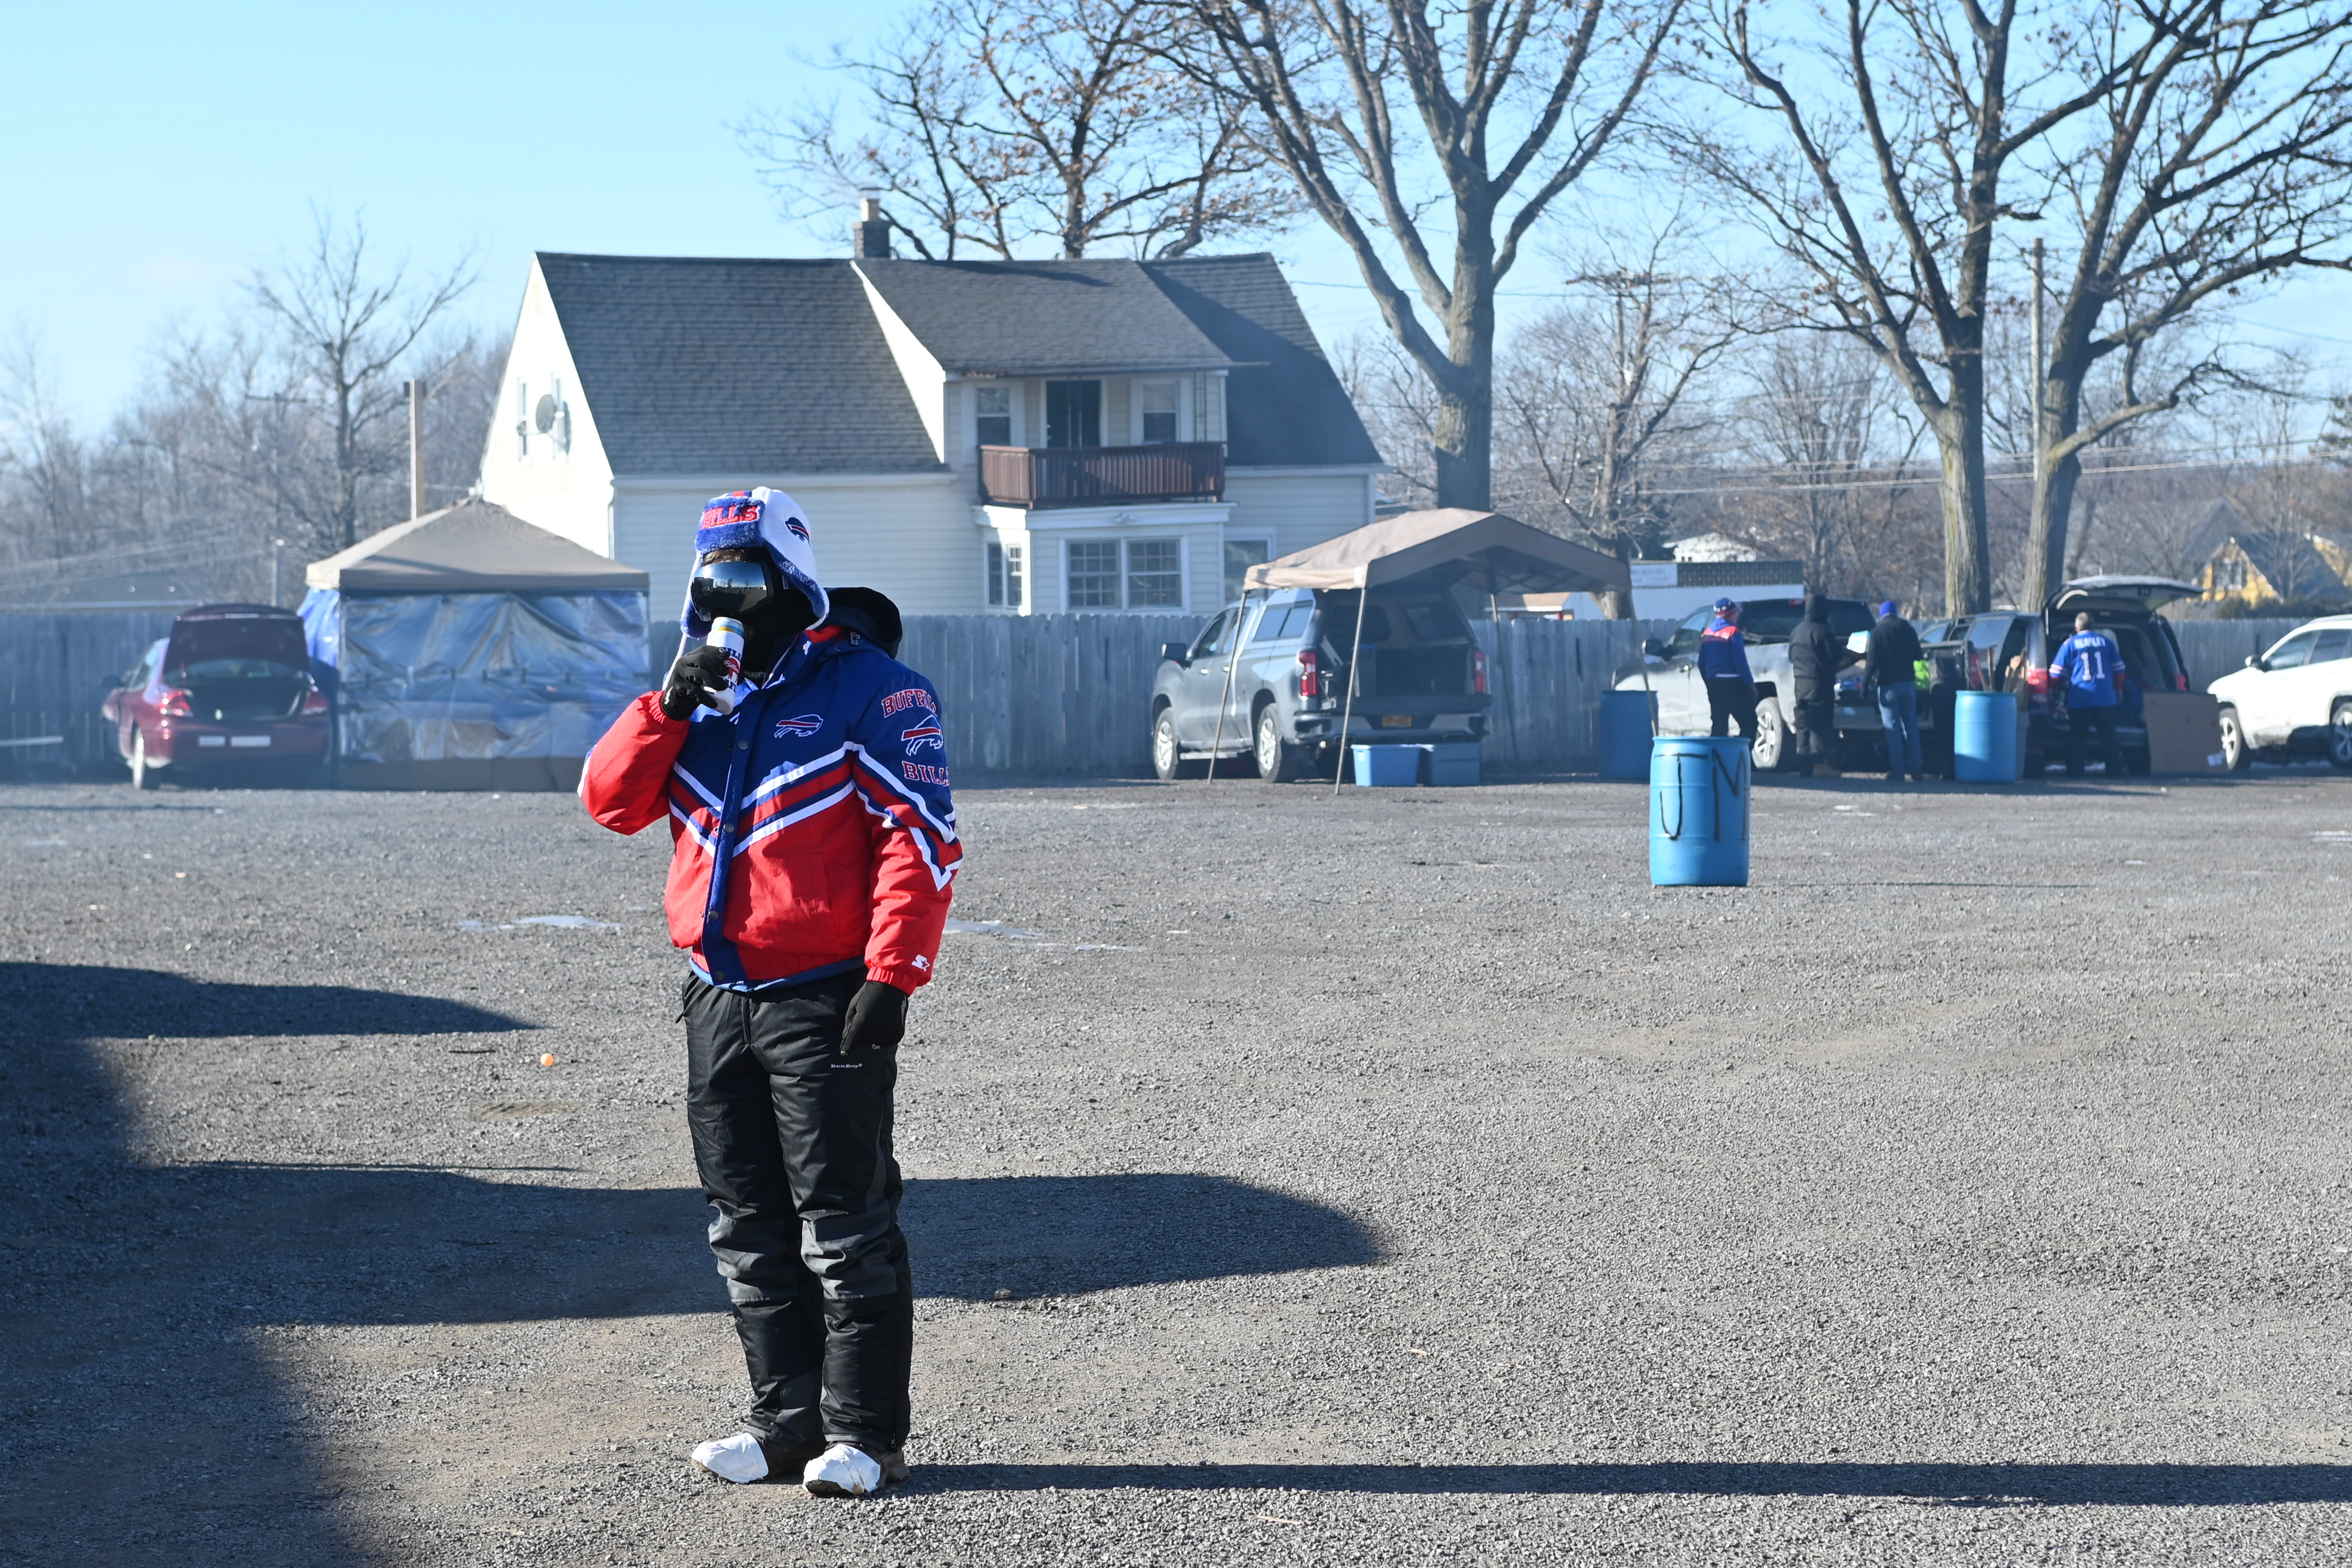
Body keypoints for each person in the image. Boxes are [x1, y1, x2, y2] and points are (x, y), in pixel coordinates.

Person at [578, 488, 960, 1498]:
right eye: (712, 579)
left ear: (795, 578)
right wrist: (667, 703)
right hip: (716, 995)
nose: (728, 598)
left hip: (822, 996)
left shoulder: (877, 690)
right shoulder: (699, 693)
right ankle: (781, 1422)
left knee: (844, 1223)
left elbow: (918, 841)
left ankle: (865, 1435)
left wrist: (893, 975)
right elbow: (609, 801)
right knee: (744, 1222)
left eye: (746, 575)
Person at [2049, 609, 2126, 775]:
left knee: (2078, 736)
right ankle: (2115, 772)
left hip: (2080, 698)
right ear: (2094, 626)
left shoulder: (2070, 644)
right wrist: (2118, 689)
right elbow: (2120, 670)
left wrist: (2052, 692)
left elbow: (2056, 674)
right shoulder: (2106, 642)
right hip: (2106, 698)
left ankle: (2075, 772)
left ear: (2077, 627)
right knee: (2109, 736)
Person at [1787, 594, 1856, 777]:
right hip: (1819, 682)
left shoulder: (1797, 631)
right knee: (1820, 724)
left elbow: (1791, 657)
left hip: (1800, 683)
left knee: (1803, 724)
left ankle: (1804, 765)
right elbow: (1835, 655)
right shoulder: (1822, 631)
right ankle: (1820, 764)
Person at [1867, 599, 1924, 782]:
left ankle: (1898, 769)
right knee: (1911, 726)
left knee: (1892, 728)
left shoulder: (1878, 633)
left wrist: (1865, 683)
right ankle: (1917, 768)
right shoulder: (1909, 629)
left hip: (1888, 685)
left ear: (1882, 615)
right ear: (1896, 613)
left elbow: (1872, 662)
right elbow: (1919, 655)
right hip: (1908, 683)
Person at [1697, 597, 1757, 741]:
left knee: (1719, 727)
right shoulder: (1733, 632)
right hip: (1733, 684)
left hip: (1714, 684)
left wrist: (1710, 683)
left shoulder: (1707, 634)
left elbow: (1701, 663)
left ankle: (1717, 760)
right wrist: (1750, 683)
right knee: (1749, 723)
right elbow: (1740, 661)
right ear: (1732, 614)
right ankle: (1742, 759)